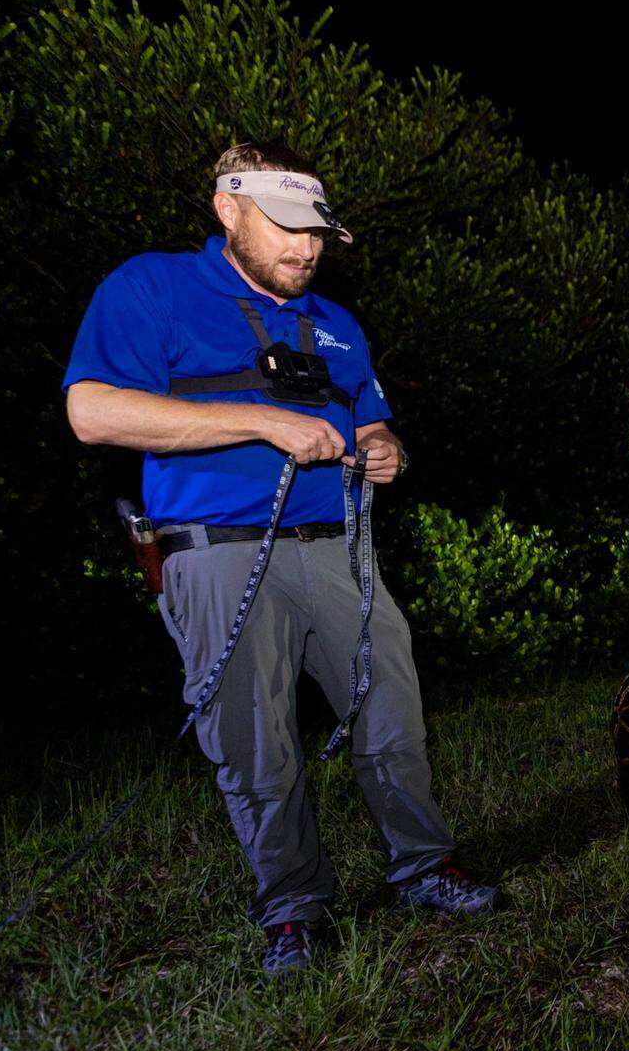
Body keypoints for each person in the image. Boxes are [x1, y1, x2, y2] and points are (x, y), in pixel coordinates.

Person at [64, 140, 497, 980]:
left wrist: (383, 448)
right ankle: (293, 909)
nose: (306, 247)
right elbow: (92, 411)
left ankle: (424, 868)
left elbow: (371, 420)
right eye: (287, 227)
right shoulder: (151, 286)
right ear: (228, 208)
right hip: (217, 558)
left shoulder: (336, 323)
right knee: (256, 746)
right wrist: (260, 422)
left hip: (339, 551)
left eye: (317, 232)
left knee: (391, 714)